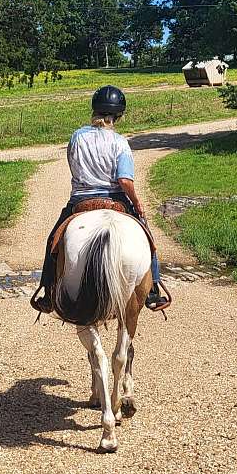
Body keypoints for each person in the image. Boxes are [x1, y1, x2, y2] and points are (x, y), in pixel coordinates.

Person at [32, 84, 169, 314]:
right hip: (114, 198)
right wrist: (136, 202)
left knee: (53, 241)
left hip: (81, 201)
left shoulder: (77, 137)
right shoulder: (119, 142)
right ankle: (154, 288)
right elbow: (125, 181)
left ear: (94, 112)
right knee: (148, 238)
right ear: (119, 116)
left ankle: (47, 290)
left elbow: (74, 166)